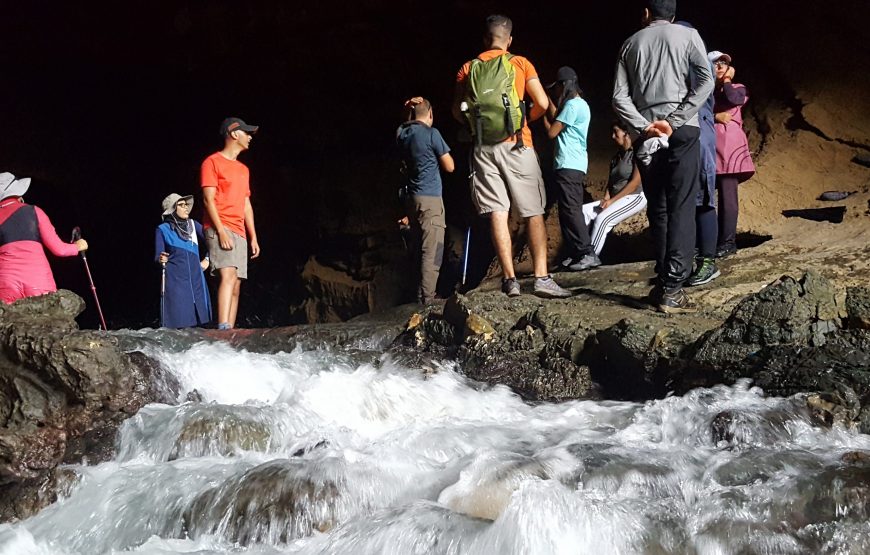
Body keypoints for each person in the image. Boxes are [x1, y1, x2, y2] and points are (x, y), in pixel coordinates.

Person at [453, 14, 571, 299]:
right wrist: (522, 121)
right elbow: (542, 102)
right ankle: (542, 278)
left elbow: (458, 112)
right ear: (509, 40)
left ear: (485, 39)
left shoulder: (467, 69)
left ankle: (510, 280)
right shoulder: (520, 62)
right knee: (532, 210)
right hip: (518, 144)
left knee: (497, 211)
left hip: (483, 148)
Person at [612, 0, 714, 313]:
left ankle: (662, 280)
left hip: (646, 134)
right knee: (682, 205)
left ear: (645, 12)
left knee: (658, 206)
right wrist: (675, 119)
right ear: (673, 14)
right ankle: (673, 288)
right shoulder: (688, 36)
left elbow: (618, 97)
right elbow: (706, 81)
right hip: (682, 131)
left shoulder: (630, 43)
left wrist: (645, 127)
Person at [201, 117, 261, 330]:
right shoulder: (212, 162)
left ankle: (230, 332)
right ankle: (223, 326)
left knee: (236, 283)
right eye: (247, 133)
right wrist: (221, 231)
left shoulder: (243, 170)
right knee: (227, 275)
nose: (250, 137)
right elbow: (208, 199)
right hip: (219, 226)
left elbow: (246, 204)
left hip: (239, 230)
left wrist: (252, 236)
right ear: (234, 134)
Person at [396, 97, 455, 304]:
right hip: (430, 198)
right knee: (432, 249)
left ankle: (420, 294)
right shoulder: (432, 134)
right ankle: (428, 299)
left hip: (411, 200)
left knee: (419, 246)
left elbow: (404, 122)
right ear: (431, 114)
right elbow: (450, 166)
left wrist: (408, 109)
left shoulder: (402, 133)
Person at [542, 66, 599, 271]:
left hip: (569, 164)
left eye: (556, 88)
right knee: (566, 211)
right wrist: (545, 101)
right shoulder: (578, 105)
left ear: (564, 85)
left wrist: (541, 115)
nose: (556, 92)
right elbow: (557, 114)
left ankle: (586, 252)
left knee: (572, 210)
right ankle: (574, 253)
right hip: (571, 164)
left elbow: (552, 132)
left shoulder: (573, 106)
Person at [0, 172, 88, 303]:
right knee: (46, 321)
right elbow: (60, 250)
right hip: (38, 280)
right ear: (18, 192)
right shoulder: (34, 211)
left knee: (9, 322)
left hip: (6, 282)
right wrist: (78, 246)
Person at [709, 51, 756, 258]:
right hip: (709, 148)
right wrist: (714, 116)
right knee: (704, 197)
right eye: (715, 63)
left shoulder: (737, 88)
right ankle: (707, 240)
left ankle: (727, 242)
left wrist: (727, 80)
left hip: (729, 149)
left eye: (723, 63)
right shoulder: (704, 92)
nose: (720, 66)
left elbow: (733, 99)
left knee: (728, 197)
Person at [581, 121, 647, 258]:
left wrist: (612, 201)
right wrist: (606, 199)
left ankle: (591, 257)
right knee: (583, 212)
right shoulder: (616, 158)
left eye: (615, 132)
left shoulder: (637, 153)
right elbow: (611, 184)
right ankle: (580, 253)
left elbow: (635, 183)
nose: (612, 136)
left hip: (634, 197)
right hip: (616, 198)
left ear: (626, 134)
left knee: (602, 219)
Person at [155, 193, 211, 328]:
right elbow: (158, 255)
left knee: (201, 325)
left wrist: (207, 259)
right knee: (179, 323)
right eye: (181, 205)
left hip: (197, 280)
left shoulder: (193, 225)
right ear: (173, 209)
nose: (186, 208)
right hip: (176, 281)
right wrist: (161, 258)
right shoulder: (162, 229)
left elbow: (213, 242)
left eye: (186, 204)